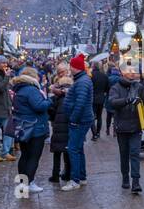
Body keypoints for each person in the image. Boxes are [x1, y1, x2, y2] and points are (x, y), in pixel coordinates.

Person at [108, 63, 144, 194]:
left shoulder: (139, 87)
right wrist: (128, 100)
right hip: (121, 127)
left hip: (136, 127)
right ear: (122, 72)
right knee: (124, 154)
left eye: (134, 70)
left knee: (134, 153)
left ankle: (136, 181)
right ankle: (125, 177)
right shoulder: (115, 88)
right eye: (129, 71)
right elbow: (112, 102)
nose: (133, 73)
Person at [10, 66, 50, 192]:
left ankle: (22, 182)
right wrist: (49, 100)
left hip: (22, 127)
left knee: (24, 155)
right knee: (33, 156)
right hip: (34, 128)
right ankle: (29, 183)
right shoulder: (31, 90)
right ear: (33, 77)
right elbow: (39, 106)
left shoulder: (19, 88)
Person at [60, 53, 93, 191]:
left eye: (71, 66)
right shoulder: (82, 80)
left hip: (80, 120)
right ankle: (82, 177)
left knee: (73, 149)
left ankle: (75, 180)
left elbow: (80, 102)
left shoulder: (82, 81)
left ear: (75, 67)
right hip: (82, 119)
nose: (70, 68)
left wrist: (73, 119)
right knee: (78, 149)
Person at [47, 64, 73, 184]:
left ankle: (55, 175)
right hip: (69, 126)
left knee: (57, 152)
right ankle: (67, 174)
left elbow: (50, 111)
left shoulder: (56, 97)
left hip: (58, 126)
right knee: (67, 152)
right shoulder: (73, 96)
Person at [90, 58, 110, 140]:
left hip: (92, 99)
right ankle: (98, 133)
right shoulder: (104, 76)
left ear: (93, 66)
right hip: (101, 99)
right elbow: (107, 88)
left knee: (91, 117)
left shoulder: (91, 75)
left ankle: (94, 134)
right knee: (99, 116)